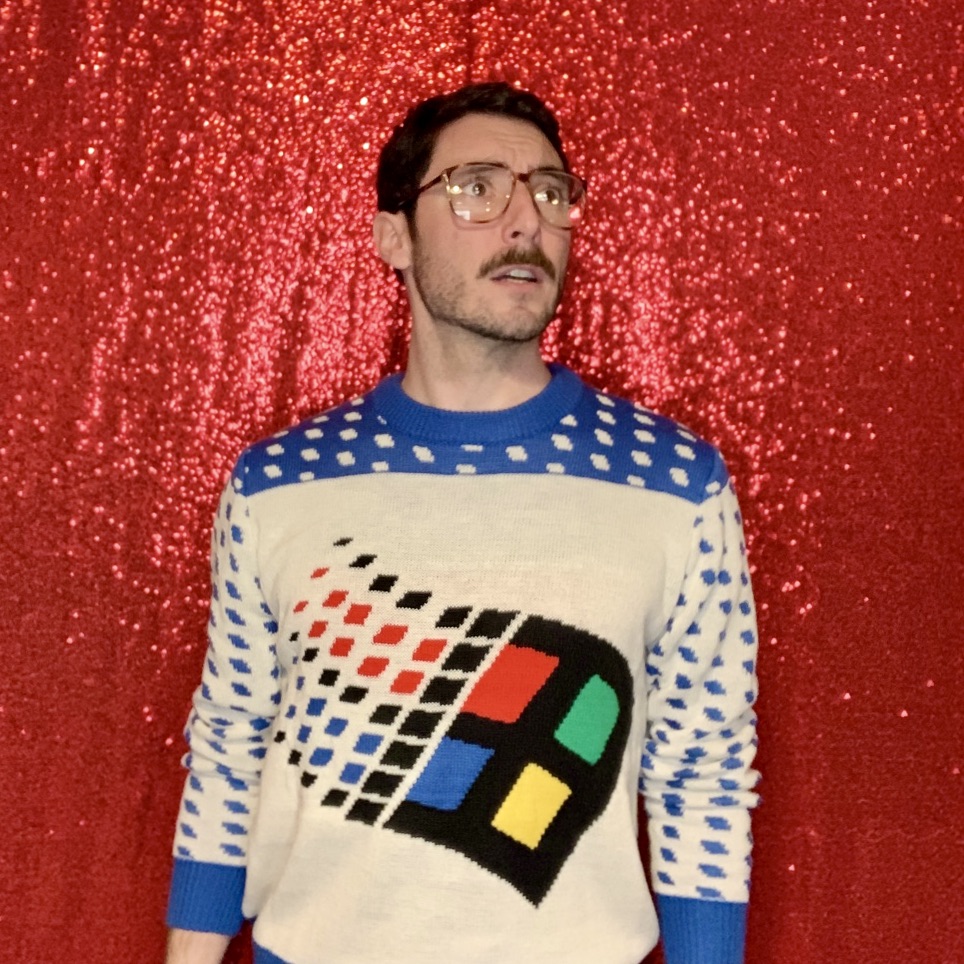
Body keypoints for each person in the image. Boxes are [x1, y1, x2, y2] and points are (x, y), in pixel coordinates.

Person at [166, 81, 760, 964]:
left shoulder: (676, 484)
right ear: (394, 236)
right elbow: (229, 748)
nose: (525, 221)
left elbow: (701, 777)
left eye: (549, 192)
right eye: (476, 188)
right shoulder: (277, 486)